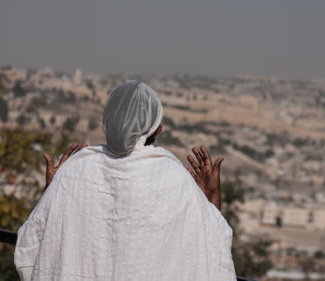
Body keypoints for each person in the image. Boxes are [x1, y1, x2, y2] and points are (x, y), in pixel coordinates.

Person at [14, 81, 236, 280]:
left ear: (108, 122)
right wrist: (210, 199)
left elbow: (30, 248)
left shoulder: (74, 171)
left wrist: (53, 190)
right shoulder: (175, 179)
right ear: (158, 127)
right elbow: (212, 253)